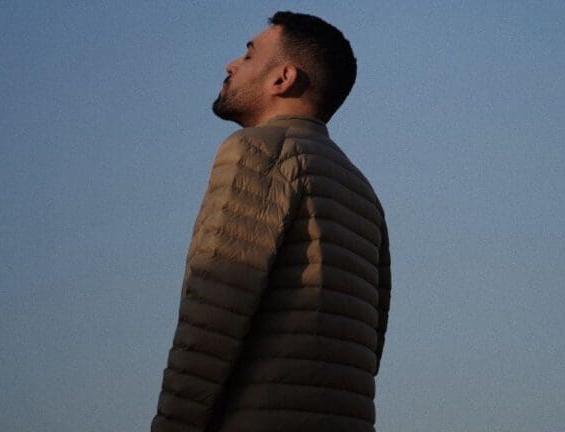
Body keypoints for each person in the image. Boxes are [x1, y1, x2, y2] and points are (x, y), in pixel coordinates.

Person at [150, 11, 392, 432]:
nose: (230, 65)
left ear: (282, 79)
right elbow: (371, 343)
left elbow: (212, 313)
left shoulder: (258, 151)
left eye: (247, 54)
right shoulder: (362, 191)